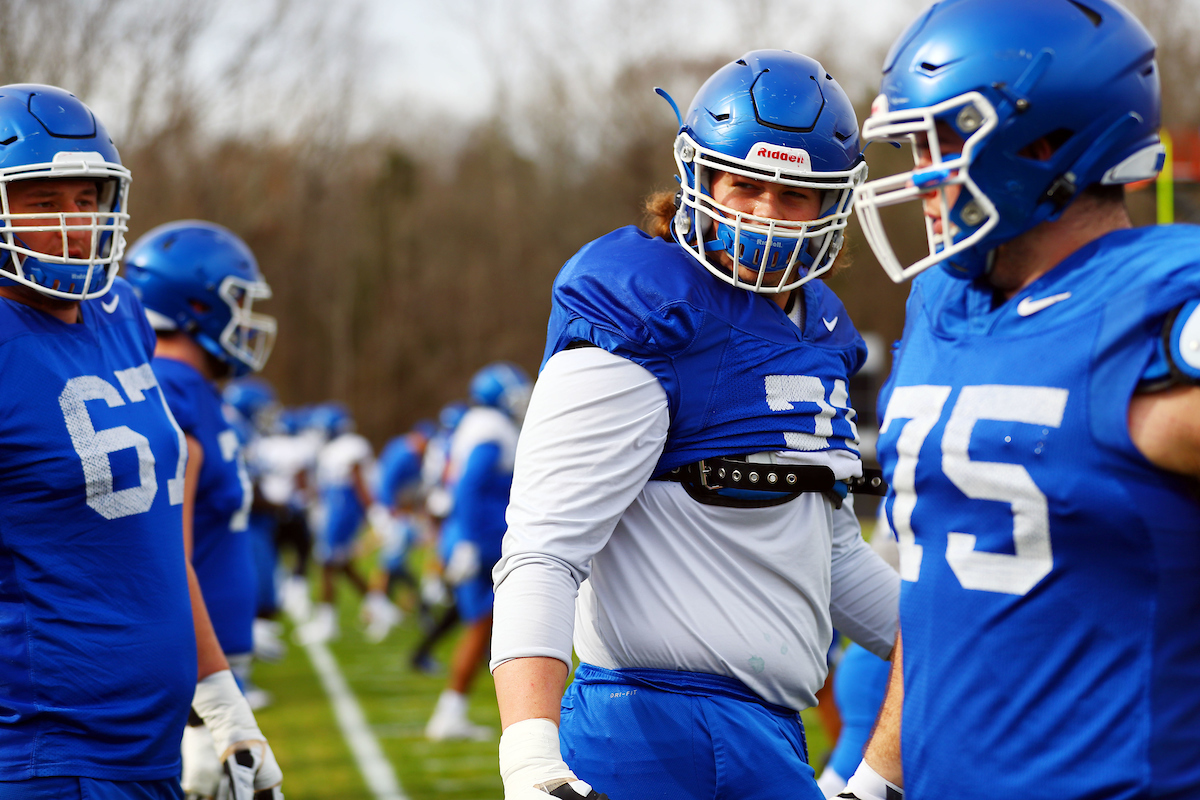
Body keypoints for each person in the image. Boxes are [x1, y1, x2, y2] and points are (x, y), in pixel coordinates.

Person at [489, 51, 900, 800]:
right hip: (647, 727)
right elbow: (544, 547)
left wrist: (950, 640)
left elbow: (830, 554)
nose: (765, 214)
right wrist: (529, 758)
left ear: (833, 204)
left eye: (794, 195)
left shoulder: (823, 332)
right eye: (747, 185)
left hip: (773, 733)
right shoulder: (646, 302)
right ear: (700, 181)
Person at [841, 1, 1200, 798]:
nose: (918, 178)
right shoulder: (941, 305)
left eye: (940, 142)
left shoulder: (1158, 305)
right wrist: (877, 775)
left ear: (1042, 142)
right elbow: (946, 580)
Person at [0, 84, 281, 799]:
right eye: (43, 202)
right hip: (45, 755)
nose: (74, 224)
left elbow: (157, 543)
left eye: (86, 199)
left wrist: (224, 708)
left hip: (146, 750)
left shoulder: (120, 312)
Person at [125, 221, 279, 799]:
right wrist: (210, 707)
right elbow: (168, 552)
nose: (248, 319)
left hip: (206, 664)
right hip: (189, 671)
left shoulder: (198, 391)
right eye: (237, 301)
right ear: (195, 305)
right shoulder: (174, 389)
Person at [426, 362, 531, 741]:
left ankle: (452, 710)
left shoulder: (476, 423)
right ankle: (450, 712)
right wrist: (470, 542)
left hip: (473, 535)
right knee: (484, 624)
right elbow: (469, 486)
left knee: (485, 624)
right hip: (480, 538)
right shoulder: (491, 427)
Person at [297, 402, 374, 645]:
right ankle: (378, 605)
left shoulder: (349, 446)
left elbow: (358, 480)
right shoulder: (332, 448)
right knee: (341, 565)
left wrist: (371, 509)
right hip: (335, 509)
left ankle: (327, 623)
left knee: (327, 563)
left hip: (343, 511)